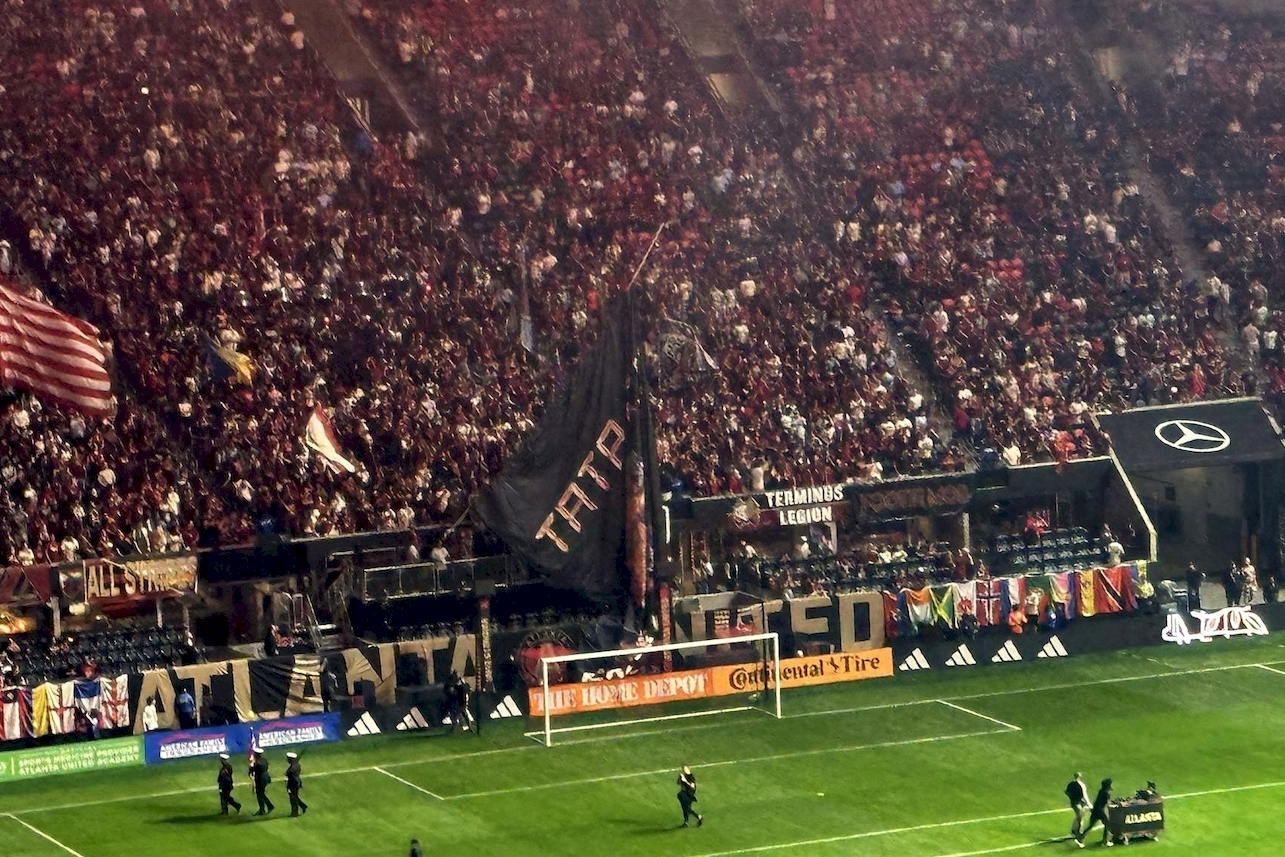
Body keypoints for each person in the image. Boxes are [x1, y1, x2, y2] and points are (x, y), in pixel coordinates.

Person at [1076, 777, 1113, 848]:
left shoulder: (1101, 791)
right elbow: (1107, 804)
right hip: (1101, 811)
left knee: (1090, 826)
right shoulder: (1107, 793)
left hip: (1095, 810)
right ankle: (1105, 841)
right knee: (1107, 825)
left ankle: (1080, 839)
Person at [250, 747, 275, 815]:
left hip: (260, 779)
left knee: (260, 794)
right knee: (261, 793)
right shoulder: (264, 760)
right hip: (265, 778)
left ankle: (265, 808)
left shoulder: (257, 762)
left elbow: (254, 770)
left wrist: (251, 766)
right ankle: (264, 808)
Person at [1064, 772, 1089, 839]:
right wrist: (1088, 803)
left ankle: (1075, 830)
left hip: (1078, 802)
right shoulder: (1080, 785)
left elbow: (1066, 792)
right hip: (1077, 802)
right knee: (1080, 815)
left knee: (1080, 815)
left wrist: (1072, 797)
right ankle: (1078, 831)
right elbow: (1084, 795)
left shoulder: (1073, 784)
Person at [285, 751, 308, 816]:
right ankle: (302, 806)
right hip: (296, 782)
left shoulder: (293, 768)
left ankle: (295, 812)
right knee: (294, 797)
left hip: (293, 783)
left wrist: (287, 773)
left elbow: (290, 774)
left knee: (293, 798)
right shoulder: (296, 765)